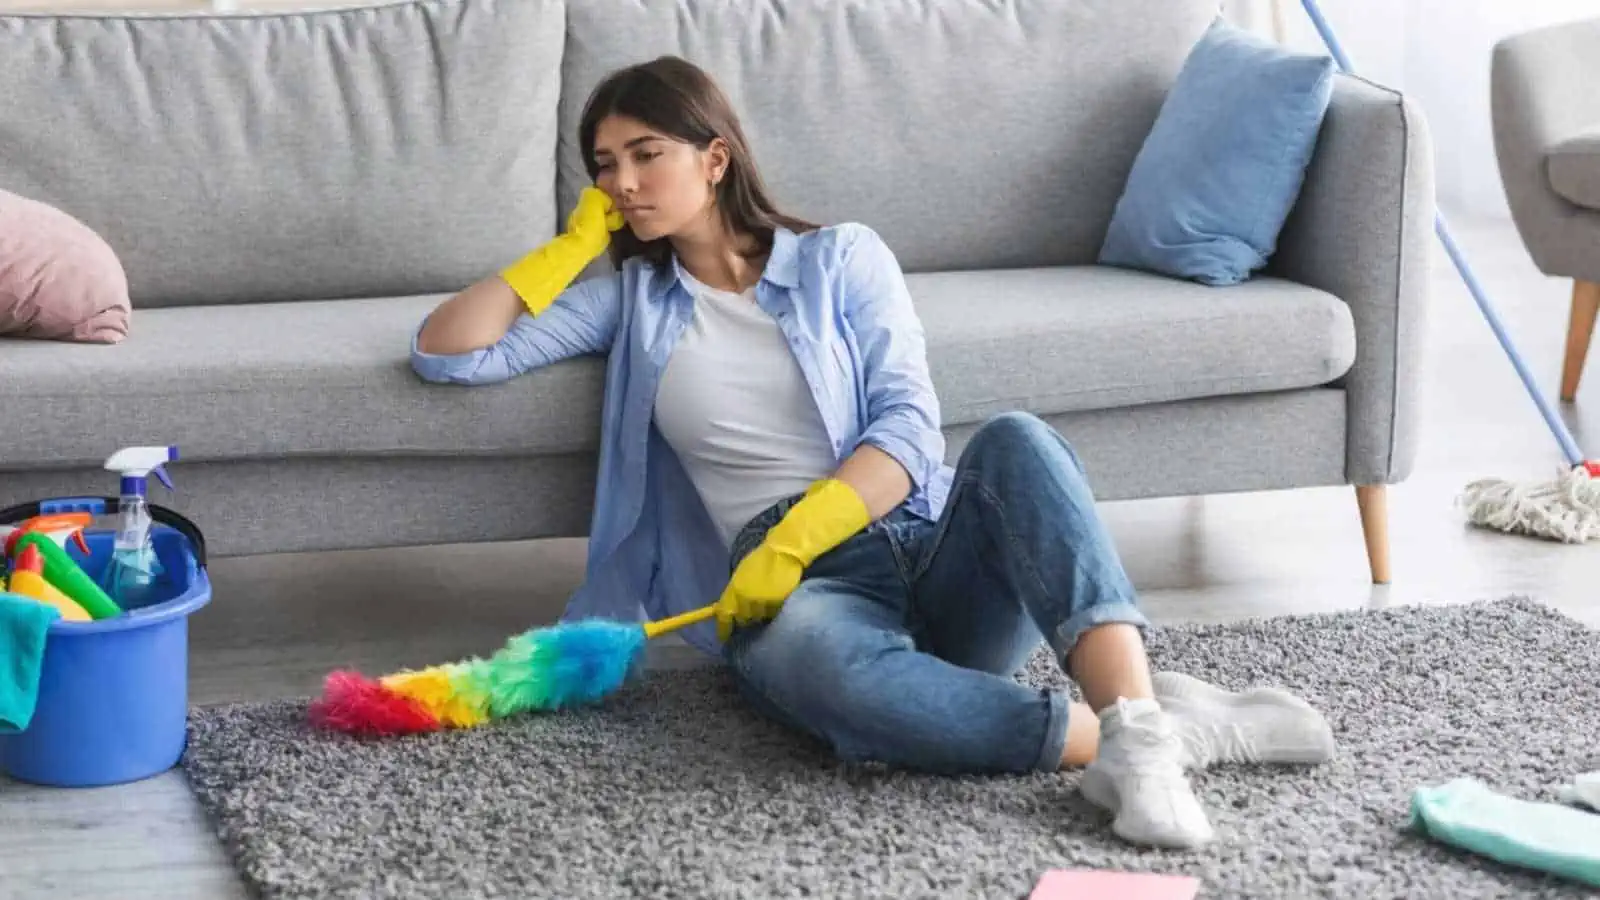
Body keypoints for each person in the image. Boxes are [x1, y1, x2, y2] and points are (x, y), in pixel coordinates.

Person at [411, 55, 1334, 849]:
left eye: (647, 153)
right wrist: (568, 249)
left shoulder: (840, 257)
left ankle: (1137, 726)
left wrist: (798, 535)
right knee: (832, 680)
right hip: (798, 596)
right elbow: (448, 351)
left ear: (715, 156)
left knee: (1018, 439)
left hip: (914, 540)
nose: (624, 182)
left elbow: (906, 428)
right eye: (606, 166)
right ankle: (1138, 737)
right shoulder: (630, 303)